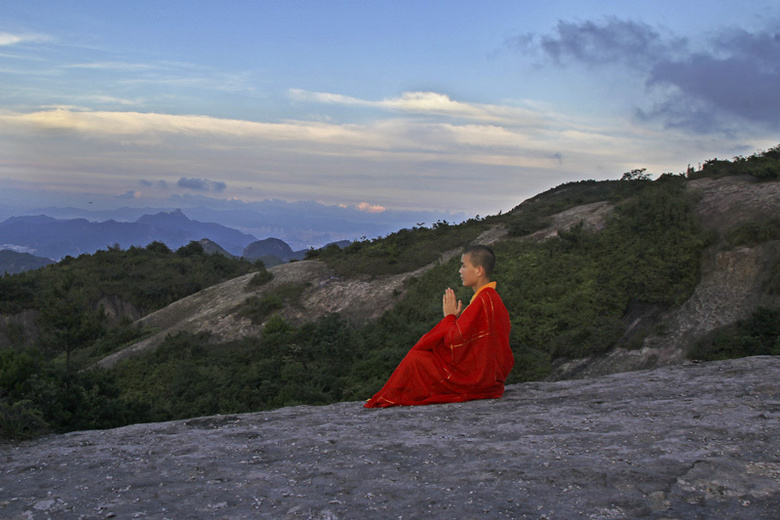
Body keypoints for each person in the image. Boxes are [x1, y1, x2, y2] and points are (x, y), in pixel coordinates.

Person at [364, 244, 513, 408]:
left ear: (479, 270)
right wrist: (453, 320)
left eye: (464, 266)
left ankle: (390, 397)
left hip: (477, 380)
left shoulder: (483, 300)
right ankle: (390, 396)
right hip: (490, 379)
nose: (460, 271)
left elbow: (454, 341)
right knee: (420, 357)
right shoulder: (490, 298)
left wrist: (449, 317)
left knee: (416, 359)